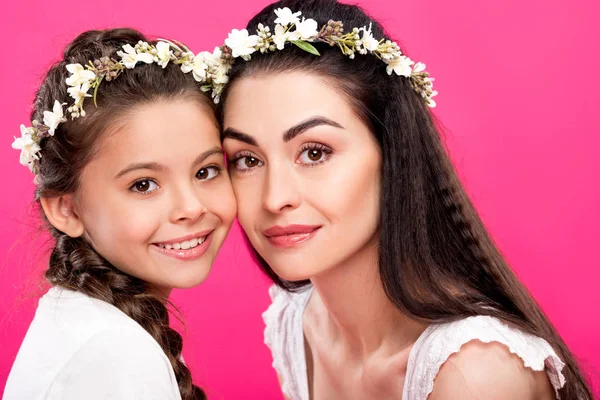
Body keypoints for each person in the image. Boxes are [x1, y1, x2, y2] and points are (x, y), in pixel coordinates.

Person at [217, 0, 593, 398]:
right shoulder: (298, 325)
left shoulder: (475, 373)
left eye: (315, 152)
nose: (275, 198)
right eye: (247, 159)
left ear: (393, 152)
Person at [4, 28, 236, 400]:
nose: (192, 207)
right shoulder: (113, 356)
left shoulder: (91, 325)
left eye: (205, 171)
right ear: (66, 208)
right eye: (143, 185)